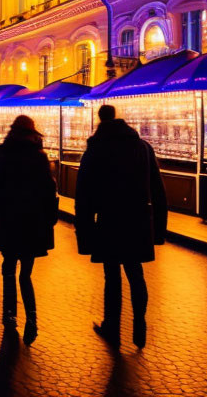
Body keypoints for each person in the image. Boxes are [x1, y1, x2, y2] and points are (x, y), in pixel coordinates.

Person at [75, 104, 168, 349]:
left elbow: (83, 195)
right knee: (136, 273)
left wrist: (84, 236)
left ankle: (112, 325)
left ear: (99, 120)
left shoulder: (95, 150)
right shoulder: (142, 147)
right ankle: (139, 323)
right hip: (138, 220)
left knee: (112, 275)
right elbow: (158, 191)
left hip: (109, 219)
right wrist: (158, 230)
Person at [0, 115, 57, 345]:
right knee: (26, 273)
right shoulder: (40, 157)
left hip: (10, 219)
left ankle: (10, 315)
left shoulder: (3, 155)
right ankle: (32, 318)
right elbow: (49, 191)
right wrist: (49, 219)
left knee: (8, 268)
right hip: (32, 222)